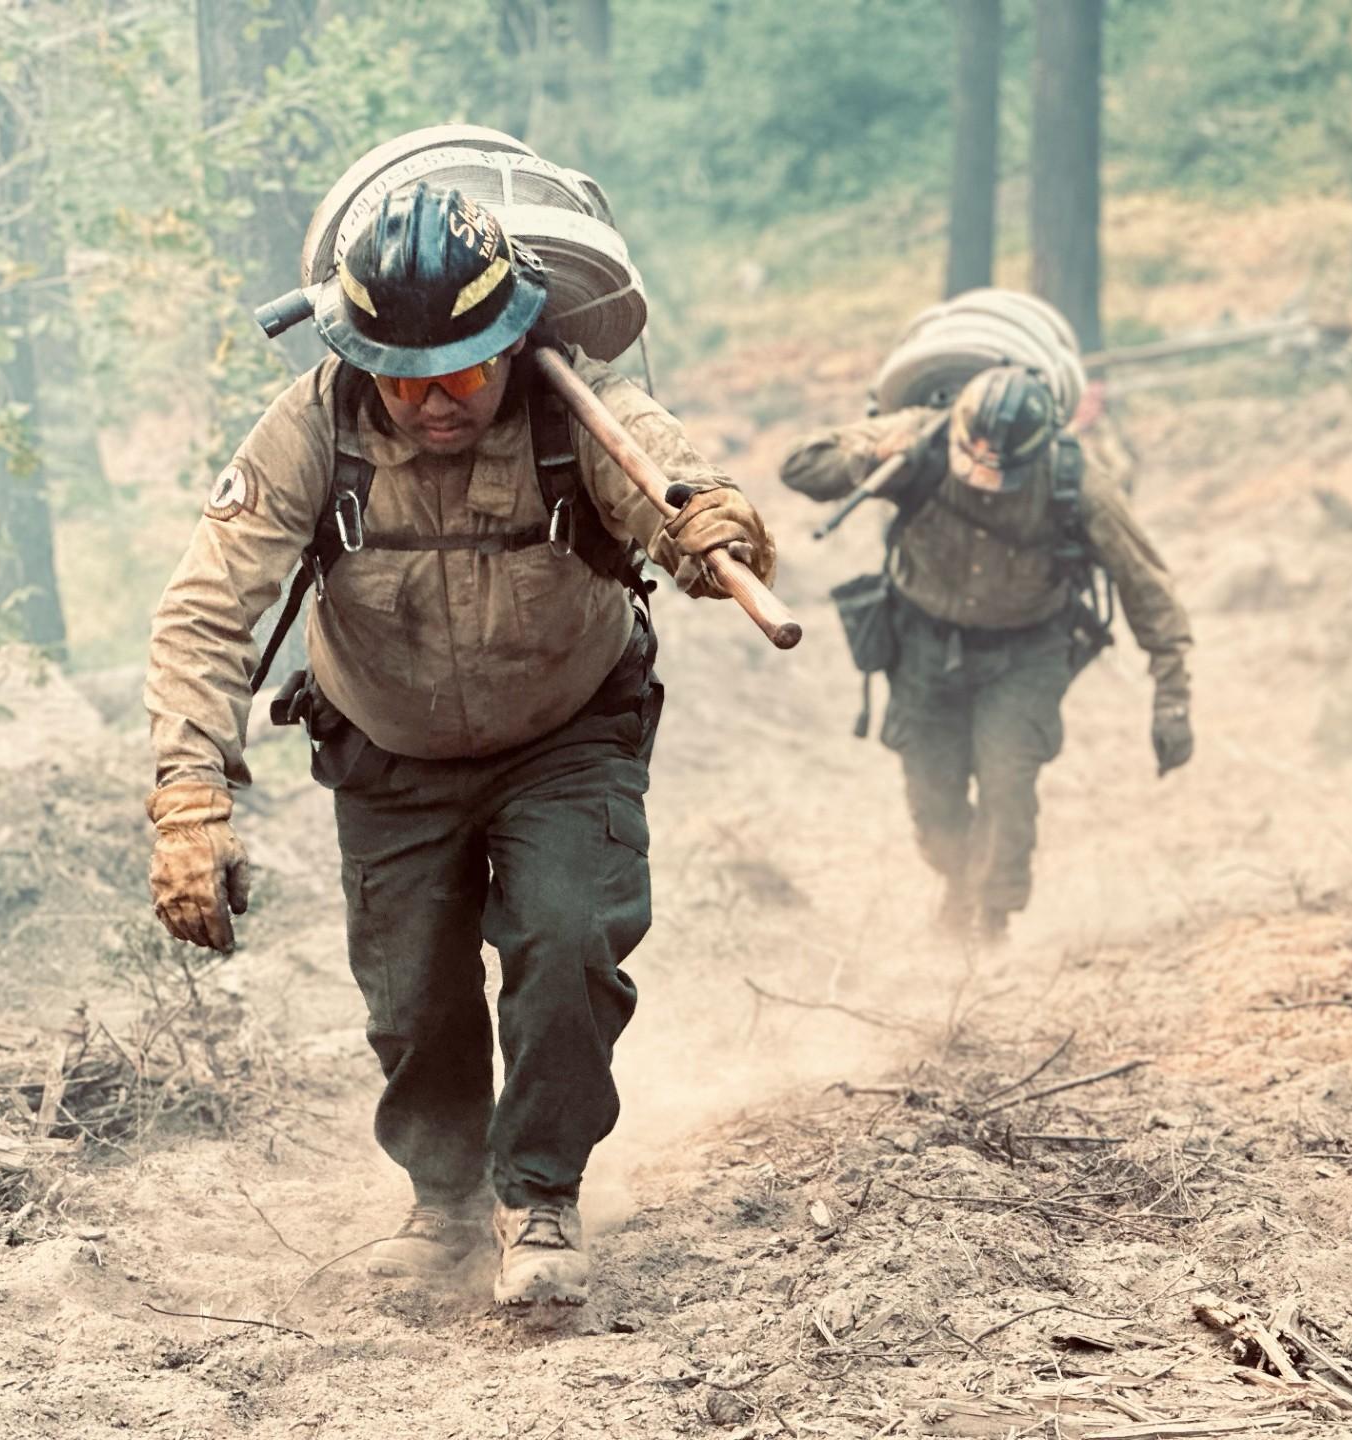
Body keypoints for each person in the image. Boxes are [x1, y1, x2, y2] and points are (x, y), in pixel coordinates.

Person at [141, 183, 776, 1308]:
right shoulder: (306, 431)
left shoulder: (580, 409)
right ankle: (442, 1203)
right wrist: (188, 795)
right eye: (406, 377)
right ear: (358, 354)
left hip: (565, 728)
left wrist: (712, 525)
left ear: (512, 339)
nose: (439, 401)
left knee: (568, 937)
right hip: (387, 745)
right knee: (413, 994)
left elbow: (674, 494)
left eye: (469, 372)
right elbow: (205, 610)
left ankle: (540, 1197)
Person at [780, 363, 1192, 942]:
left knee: (1008, 786)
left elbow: (1145, 582)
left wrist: (1172, 695)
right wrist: (869, 459)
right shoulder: (920, 435)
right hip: (922, 643)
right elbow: (799, 465)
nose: (981, 479)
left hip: (1026, 652)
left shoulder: (1077, 479)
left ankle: (990, 920)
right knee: (933, 800)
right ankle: (958, 882)